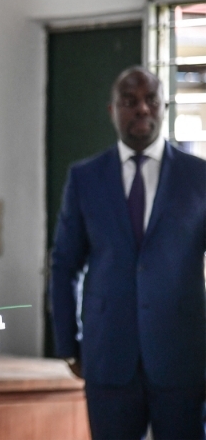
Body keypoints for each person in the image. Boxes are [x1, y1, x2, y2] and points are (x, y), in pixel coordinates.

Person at [51, 66, 206, 440]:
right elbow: (64, 265)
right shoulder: (85, 178)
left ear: (164, 106)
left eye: (151, 100)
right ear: (112, 110)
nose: (141, 109)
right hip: (107, 355)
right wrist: (68, 344)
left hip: (183, 356)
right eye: (129, 101)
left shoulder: (198, 176)